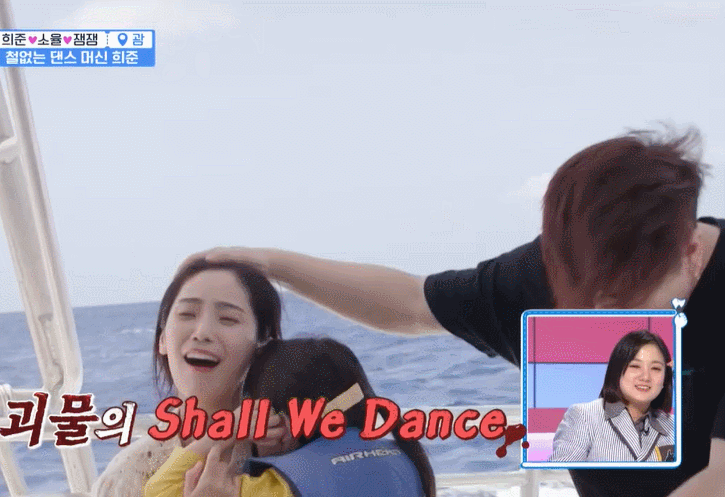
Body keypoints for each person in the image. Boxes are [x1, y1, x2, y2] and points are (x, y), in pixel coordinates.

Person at [181, 126, 725, 496]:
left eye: (615, 305)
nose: (586, 319)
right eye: (571, 299)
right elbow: (410, 303)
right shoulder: (554, 273)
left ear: (691, 254)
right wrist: (271, 263)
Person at [143, 337, 435, 497]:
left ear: (277, 424)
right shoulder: (408, 459)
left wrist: (228, 429)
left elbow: (159, 490)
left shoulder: (274, 489)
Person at [91, 259, 287, 497]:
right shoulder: (126, 477)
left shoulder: (292, 443)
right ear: (162, 339)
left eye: (228, 319)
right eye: (186, 314)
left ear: (263, 344)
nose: (202, 333)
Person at [550, 330, 675, 462]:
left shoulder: (674, 426)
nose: (645, 377)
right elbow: (563, 472)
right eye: (635, 366)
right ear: (617, 370)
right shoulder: (585, 416)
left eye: (655, 368)